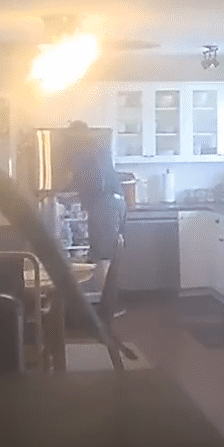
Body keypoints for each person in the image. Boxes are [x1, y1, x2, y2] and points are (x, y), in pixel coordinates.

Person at [63, 121, 126, 317]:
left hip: (105, 205)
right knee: (104, 254)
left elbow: (96, 183)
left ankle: (108, 308)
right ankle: (108, 305)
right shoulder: (96, 148)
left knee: (103, 256)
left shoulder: (87, 152)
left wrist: (71, 190)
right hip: (111, 203)